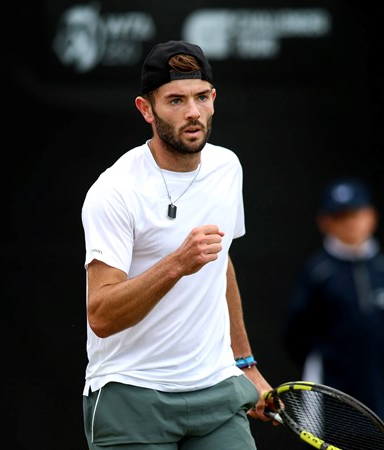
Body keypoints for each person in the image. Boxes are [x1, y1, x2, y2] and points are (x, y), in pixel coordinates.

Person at [80, 40, 275, 450]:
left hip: (216, 391)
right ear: (145, 109)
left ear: (214, 100)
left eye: (201, 97)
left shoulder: (227, 168)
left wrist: (246, 365)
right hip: (131, 395)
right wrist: (177, 264)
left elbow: (222, 265)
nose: (192, 112)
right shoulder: (114, 191)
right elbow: (101, 314)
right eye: (175, 100)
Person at [283, 177, 384, 447]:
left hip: (382, 397)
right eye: (340, 216)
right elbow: (295, 334)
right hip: (332, 400)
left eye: (356, 214)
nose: (350, 223)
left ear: (372, 217)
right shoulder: (317, 273)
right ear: (325, 222)